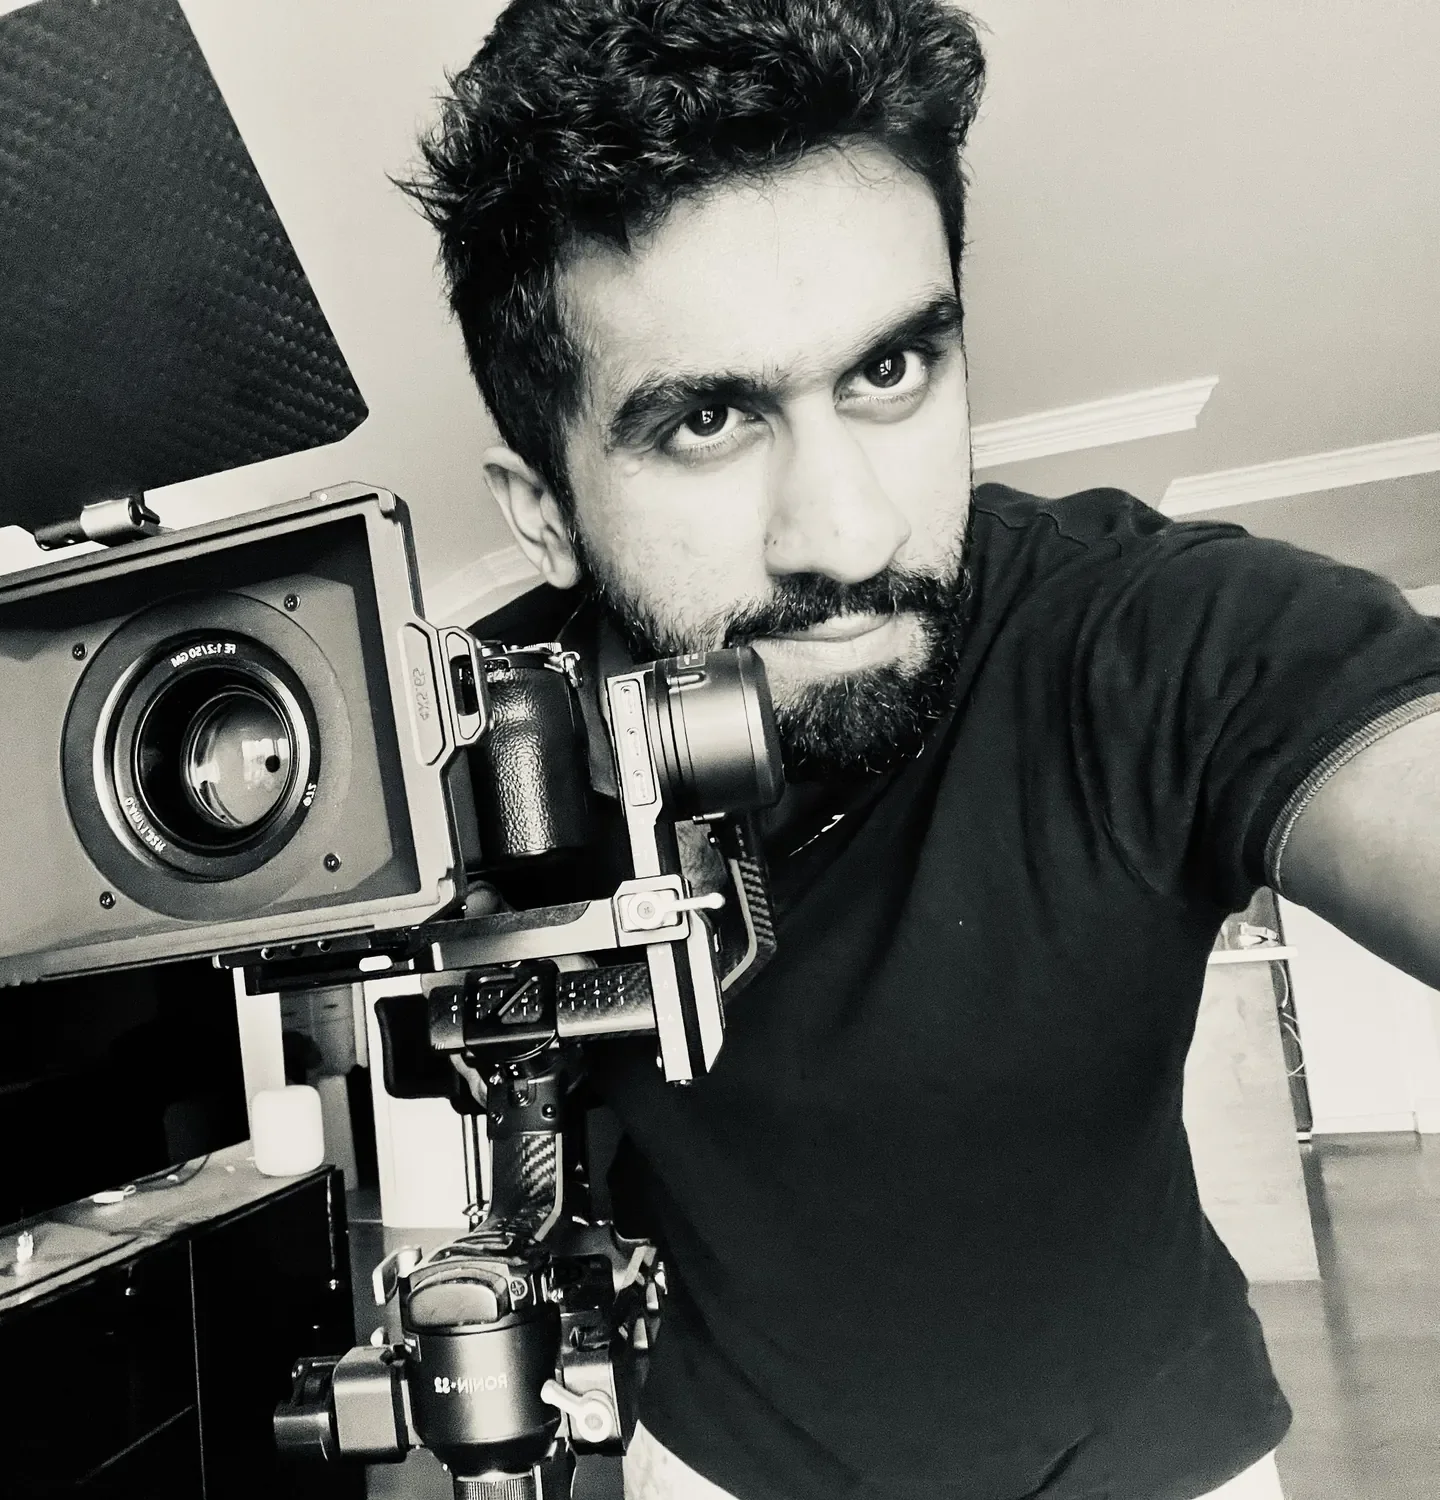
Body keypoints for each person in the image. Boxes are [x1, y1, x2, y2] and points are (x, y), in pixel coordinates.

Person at [399, 2, 1440, 1497]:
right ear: (543, 509)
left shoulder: (1138, 633)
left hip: (1155, 1455)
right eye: (705, 418)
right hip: (719, 1465)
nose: (851, 533)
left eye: (889, 373)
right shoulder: (475, 742)